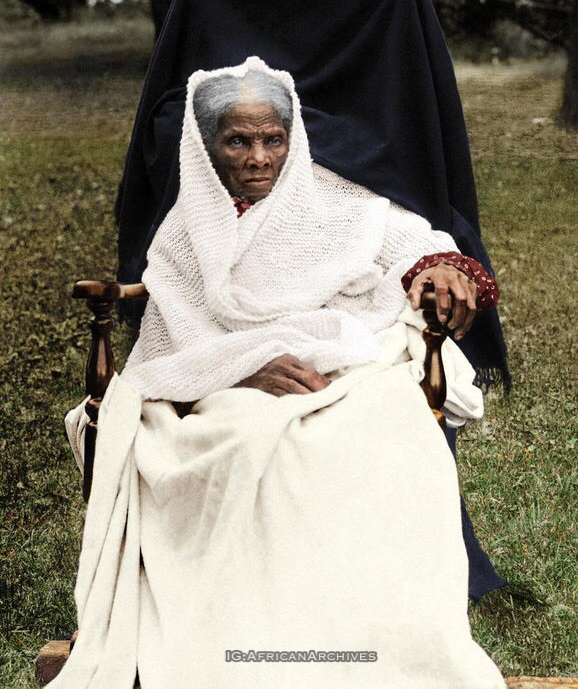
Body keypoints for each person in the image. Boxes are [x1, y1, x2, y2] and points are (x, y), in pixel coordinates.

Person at [55, 57, 506, 689]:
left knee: (378, 431)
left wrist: (444, 269)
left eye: (274, 139)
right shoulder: (185, 231)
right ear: (208, 146)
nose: (260, 157)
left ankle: (365, 642)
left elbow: (414, 242)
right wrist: (241, 370)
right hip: (225, 387)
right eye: (238, 140)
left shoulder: (331, 195)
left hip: (341, 366)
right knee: (230, 441)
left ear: (292, 142)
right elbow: (168, 351)